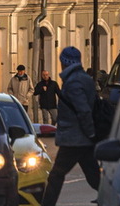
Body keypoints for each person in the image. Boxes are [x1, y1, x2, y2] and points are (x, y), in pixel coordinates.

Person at [39, 46, 100, 206]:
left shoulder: (73, 82)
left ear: (65, 63)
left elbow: (83, 110)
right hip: (82, 138)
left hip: (74, 138)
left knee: (55, 176)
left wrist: (89, 133)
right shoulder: (83, 79)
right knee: (94, 177)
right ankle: (116, 199)